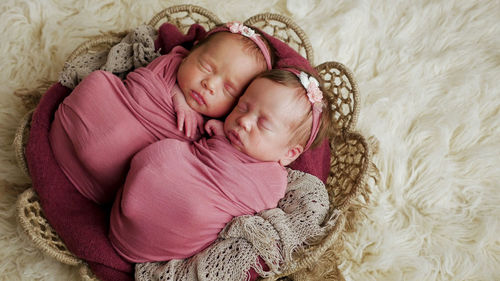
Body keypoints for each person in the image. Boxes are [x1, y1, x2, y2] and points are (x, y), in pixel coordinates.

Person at [108, 68, 335, 262]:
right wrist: (218, 133)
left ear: (289, 153)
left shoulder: (275, 179)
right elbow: (213, 153)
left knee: (191, 202)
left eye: (263, 123)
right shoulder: (229, 135)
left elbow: (242, 207)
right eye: (242, 107)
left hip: (185, 220)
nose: (243, 121)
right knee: (159, 159)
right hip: (146, 203)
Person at [49, 22, 275, 204]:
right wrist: (178, 97)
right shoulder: (171, 64)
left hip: (127, 176)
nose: (210, 84)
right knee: (98, 83)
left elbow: (202, 161)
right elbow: (146, 81)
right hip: (115, 116)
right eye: (206, 67)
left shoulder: (225, 125)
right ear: (189, 54)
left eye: (228, 89)